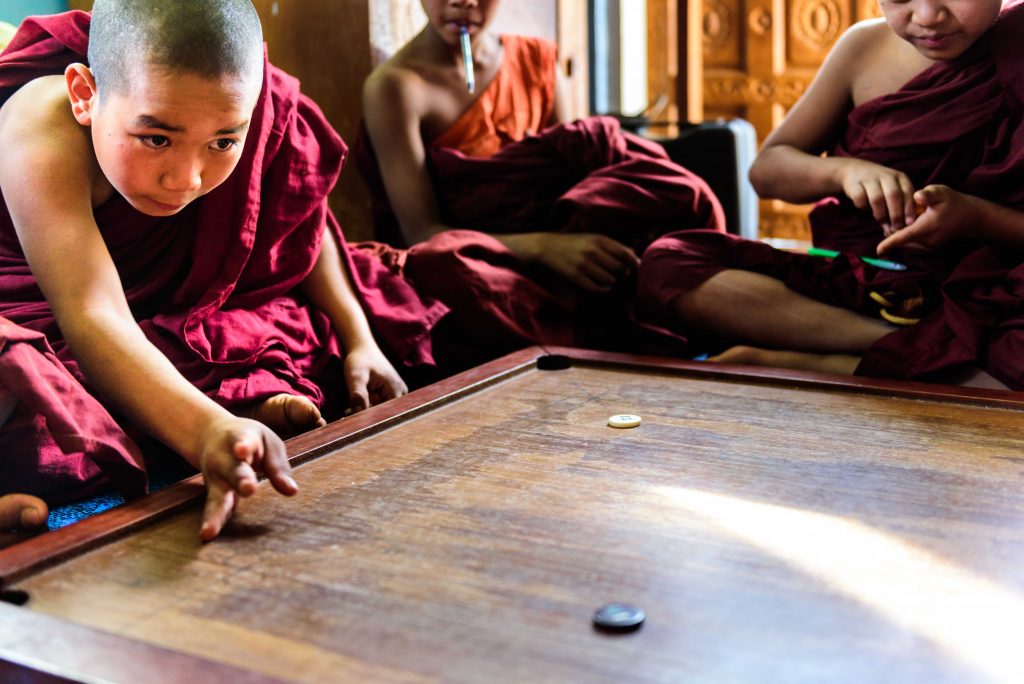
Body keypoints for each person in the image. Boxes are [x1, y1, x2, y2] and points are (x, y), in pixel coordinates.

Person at [0, 1, 447, 540]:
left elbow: (295, 215)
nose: (186, 179)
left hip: (161, 310)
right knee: (21, 377)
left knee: (302, 323)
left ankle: (222, 402)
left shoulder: (247, 95)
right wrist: (207, 429)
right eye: (156, 139)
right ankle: (223, 405)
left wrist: (360, 339)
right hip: (61, 303)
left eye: (224, 143)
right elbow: (91, 312)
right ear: (84, 95)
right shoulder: (42, 121)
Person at [637, 0, 1024, 389]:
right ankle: (916, 347)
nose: (926, 16)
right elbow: (767, 171)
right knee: (668, 264)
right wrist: (845, 171)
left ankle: (824, 363)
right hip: (867, 285)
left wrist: (978, 218)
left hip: (998, 294)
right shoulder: (864, 48)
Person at [358, 0, 724, 371]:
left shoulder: (537, 61)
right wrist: (543, 247)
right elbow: (423, 232)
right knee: (439, 266)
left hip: (566, 247)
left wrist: (576, 239)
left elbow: (580, 175)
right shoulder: (395, 87)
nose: (461, 1)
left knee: (674, 194)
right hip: (485, 270)